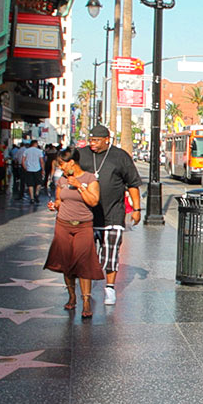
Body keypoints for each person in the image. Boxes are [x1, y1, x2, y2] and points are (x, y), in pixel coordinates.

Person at [81, 124, 142, 305]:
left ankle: (109, 288)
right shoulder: (82, 155)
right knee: (87, 255)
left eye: (96, 140)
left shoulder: (120, 156)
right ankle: (86, 290)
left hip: (113, 214)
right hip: (87, 216)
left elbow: (132, 184)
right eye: (91, 139)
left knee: (111, 253)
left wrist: (137, 209)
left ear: (107, 140)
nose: (92, 143)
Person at [43, 147, 105, 317]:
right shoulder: (62, 180)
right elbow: (59, 199)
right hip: (63, 224)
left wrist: (79, 186)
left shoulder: (90, 178)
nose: (60, 168)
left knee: (84, 263)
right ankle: (72, 297)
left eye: (62, 164)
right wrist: (54, 205)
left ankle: (86, 301)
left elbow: (93, 201)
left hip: (83, 226)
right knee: (66, 263)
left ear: (72, 162)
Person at [17, 137, 46, 205]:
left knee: (30, 184)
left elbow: (23, 160)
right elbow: (41, 161)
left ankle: (32, 198)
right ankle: (36, 193)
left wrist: (25, 168)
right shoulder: (39, 151)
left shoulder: (26, 151)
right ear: (35, 144)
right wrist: (43, 169)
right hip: (37, 169)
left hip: (29, 169)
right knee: (39, 183)